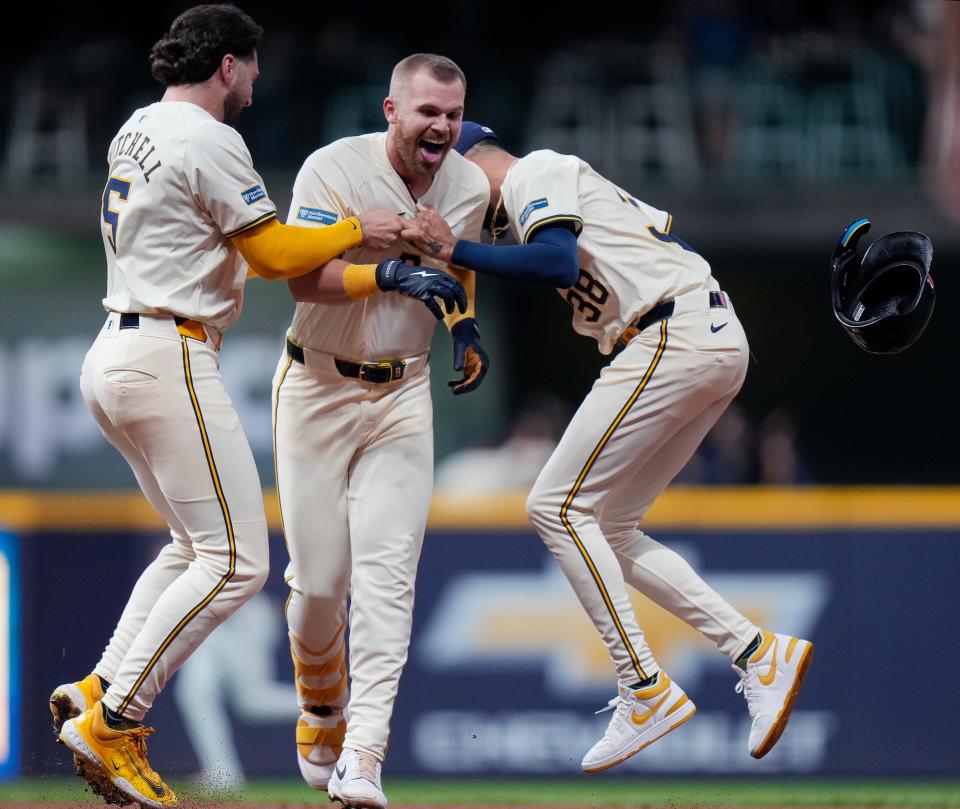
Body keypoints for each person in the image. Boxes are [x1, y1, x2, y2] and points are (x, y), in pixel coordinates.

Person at [49, 9, 463, 808]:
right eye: (254, 64)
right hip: (169, 348)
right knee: (238, 561)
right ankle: (116, 717)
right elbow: (273, 257)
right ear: (230, 66)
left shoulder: (138, 125)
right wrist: (357, 230)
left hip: (114, 348)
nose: (259, 78)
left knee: (189, 546)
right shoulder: (210, 138)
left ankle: (100, 683)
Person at [402, 122, 814, 773]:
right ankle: (758, 651)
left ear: (468, 164)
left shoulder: (534, 171)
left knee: (555, 506)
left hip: (669, 331)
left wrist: (455, 245)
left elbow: (556, 262)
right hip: (699, 335)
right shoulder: (533, 195)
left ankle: (643, 686)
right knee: (612, 527)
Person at [273, 55, 489, 809]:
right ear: (391, 108)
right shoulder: (334, 167)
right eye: (428, 110)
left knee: (388, 581)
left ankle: (363, 756)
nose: (442, 126)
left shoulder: (468, 185)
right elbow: (302, 278)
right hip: (317, 383)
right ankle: (320, 700)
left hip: (403, 392)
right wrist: (387, 269)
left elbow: (456, 275)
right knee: (320, 585)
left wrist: (464, 329)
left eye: (454, 114)